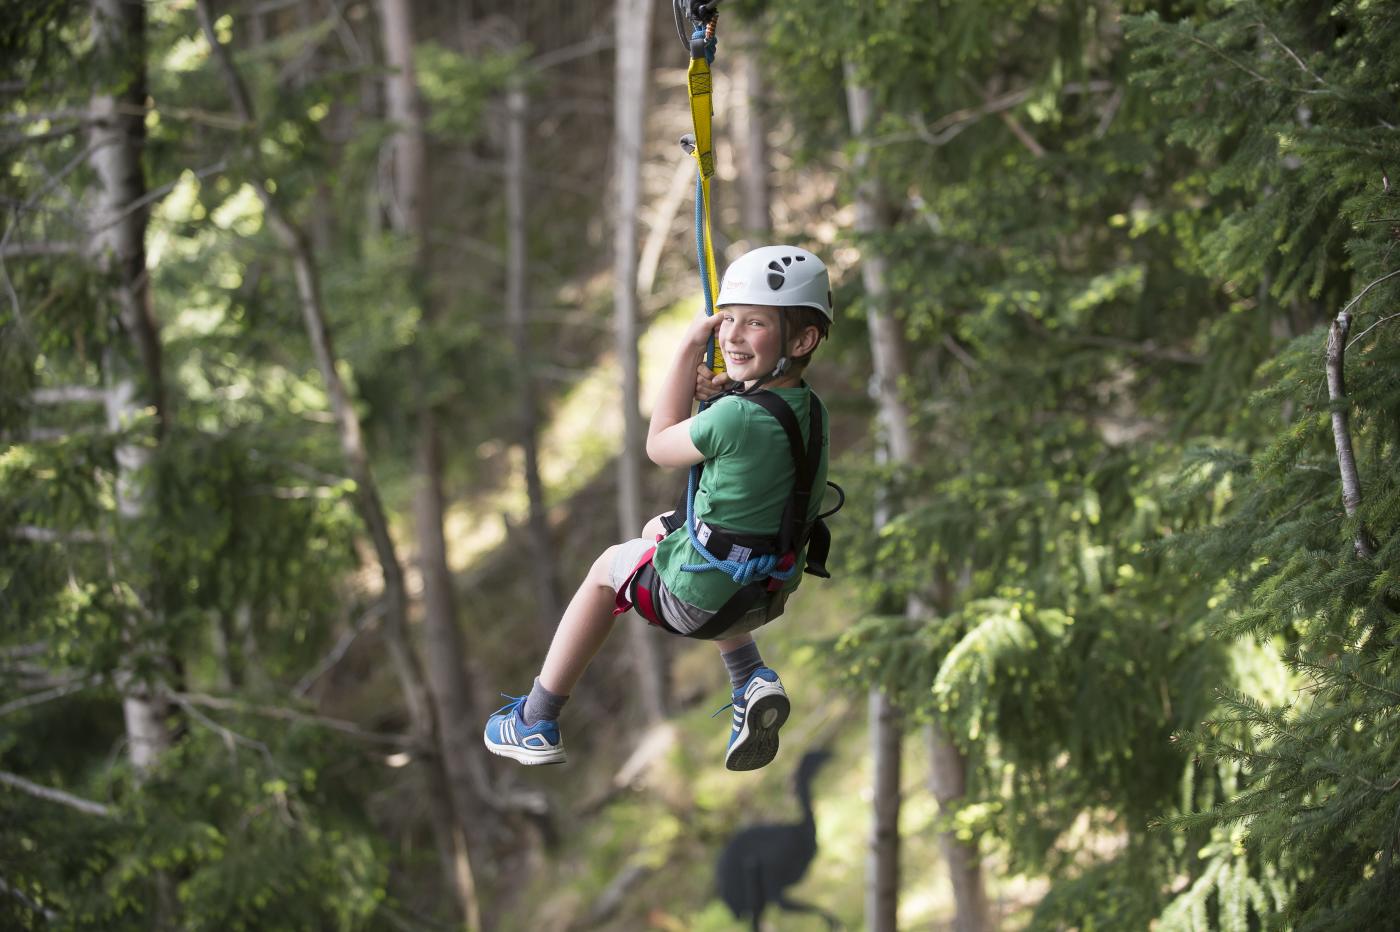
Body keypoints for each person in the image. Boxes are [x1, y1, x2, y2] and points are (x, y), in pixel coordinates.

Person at [483, 245, 833, 771]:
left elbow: (660, 445)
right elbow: (749, 440)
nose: (733, 334)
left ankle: (537, 717)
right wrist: (720, 395)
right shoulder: (807, 408)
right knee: (657, 530)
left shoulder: (735, 417)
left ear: (802, 339)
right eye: (728, 320)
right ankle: (749, 677)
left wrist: (689, 350)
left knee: (606, 571)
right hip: (768, 588)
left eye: (755, 323)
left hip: (704, 599)